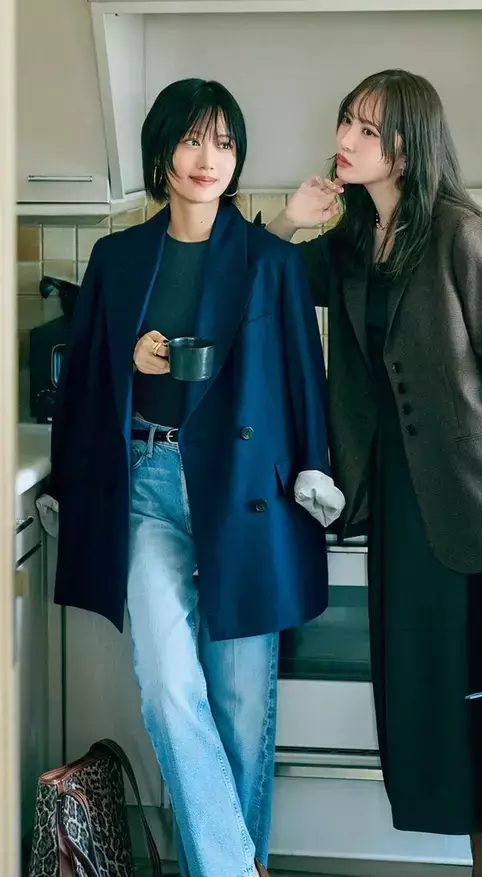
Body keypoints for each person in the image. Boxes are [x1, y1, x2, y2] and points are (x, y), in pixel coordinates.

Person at [266, 69, 482, 877]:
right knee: (444, 694)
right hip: (403, 501)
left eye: (366, 130)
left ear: (405, 148)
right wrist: (288, 220)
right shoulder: (350, 242)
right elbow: (266, 277)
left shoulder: (459, 233)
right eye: (346, 121)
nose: (345, 140)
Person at [49, 78, 344, 877]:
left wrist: (315, 467)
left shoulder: (269, 259)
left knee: (242, 709)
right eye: (190, 140)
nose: (208, 158)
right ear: (161, 153)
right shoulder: (117, 258)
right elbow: (83, 381)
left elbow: (301, 373)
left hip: (244, 492)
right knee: (169, 685)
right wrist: (130, 359)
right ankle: (239, 868)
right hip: (149, 482)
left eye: (223, 142)